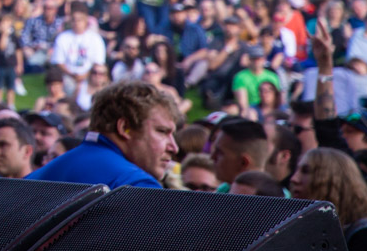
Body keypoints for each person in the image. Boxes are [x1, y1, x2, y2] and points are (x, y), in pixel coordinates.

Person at [27, 80, 180, 188]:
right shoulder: (135, 185)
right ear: (124, 127)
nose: (174, 147)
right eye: (162, 131)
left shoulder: (36, 177)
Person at [289, 147, 367, 251]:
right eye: (296, 170)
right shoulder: (298, 229)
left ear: (333, 181)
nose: (294, 179)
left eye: (305, 171)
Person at [209, 118, 270, 192]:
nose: (212, 157)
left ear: (243, 162)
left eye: (219, 153)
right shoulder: (224, 190)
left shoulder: (277, 200)